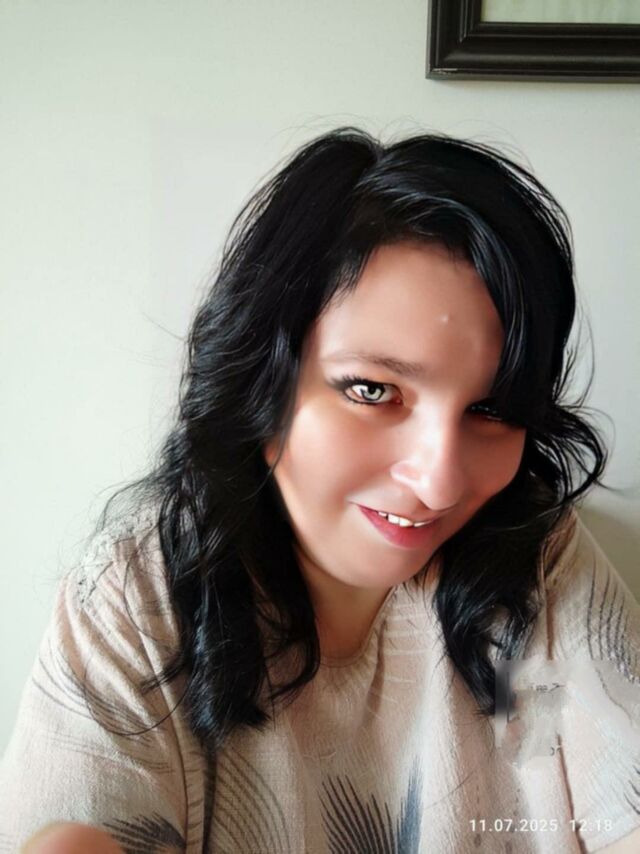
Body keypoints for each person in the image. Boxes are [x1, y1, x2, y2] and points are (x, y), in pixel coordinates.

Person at [1, 128, 638, 854]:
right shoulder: (140, 593)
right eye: (373, 390)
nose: (439, 481)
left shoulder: (537, 560)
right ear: (262, 379)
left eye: (490, 410)